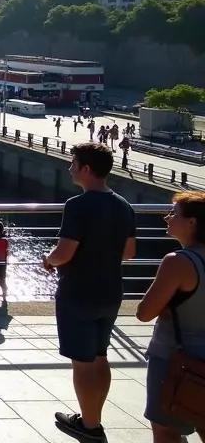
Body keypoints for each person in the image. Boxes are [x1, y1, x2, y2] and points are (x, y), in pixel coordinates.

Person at [44, 143, 136, 443]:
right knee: (99, 355)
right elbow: (130, 252)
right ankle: (92, 416)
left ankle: (89, 426)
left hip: (78, 291)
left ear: (86, 168)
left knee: (82, 361)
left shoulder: (78, 205)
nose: (70, 168)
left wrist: (48, 258)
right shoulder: (123, 204)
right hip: (111, 290)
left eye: (73, 163)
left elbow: (64, 252)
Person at [136, 192, 205, 443]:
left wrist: (166, 303)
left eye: (174, 213)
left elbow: (144, 312)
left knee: (166, 429)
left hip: (176, 361)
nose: (167, 218)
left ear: (191, 222)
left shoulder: (178, 262)